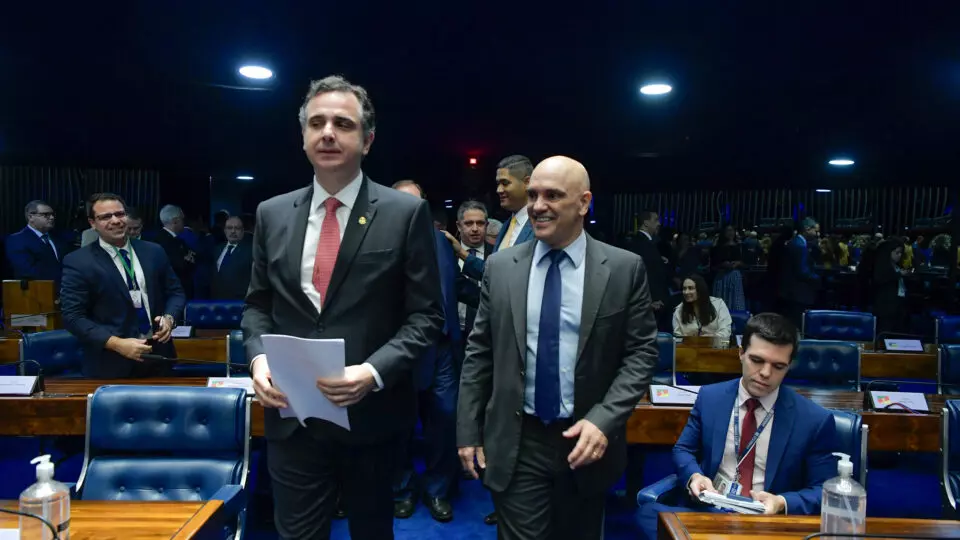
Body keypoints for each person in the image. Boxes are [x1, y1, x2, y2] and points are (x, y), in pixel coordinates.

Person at [241, 75, 444, 540]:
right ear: (303, 137)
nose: (328, 132)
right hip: (291, 416)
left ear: (367, 140)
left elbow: (426, 316)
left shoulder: (404, 213)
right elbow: (257, 306)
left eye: (342, 123)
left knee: (372, 532)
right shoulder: (272, 213)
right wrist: (258, 359)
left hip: (369, 417)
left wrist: (371, 373)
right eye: (317, 122)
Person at [457, 156, 659, 540]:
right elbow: (479, 353)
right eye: (532, 194)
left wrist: (604, 420)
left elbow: (641, 355)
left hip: (586, 439)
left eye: (552, 195)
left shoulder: (622, 269)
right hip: (518, 439)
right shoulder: (501, 268)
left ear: (584, 203)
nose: (537, 205)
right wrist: (467, 430)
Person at [635, 313, 839, 539]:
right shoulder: (710, 398)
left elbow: (824, 491)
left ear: (789, 366)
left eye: (778, 366)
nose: (765, 373)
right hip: (711, 510)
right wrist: (695, 477)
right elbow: (684, 450)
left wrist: (781, 502)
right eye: (757, 360)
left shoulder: (814, 419)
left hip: (766, 521)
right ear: (741, 353)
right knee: (647, 514)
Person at [390, 180, 462, 522]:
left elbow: (450, 291)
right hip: (395, 350)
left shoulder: (440, 241)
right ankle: (402, 489)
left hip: (440, 347)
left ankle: (437, 491)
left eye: (416, 203)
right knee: (397, 424)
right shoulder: (378, 240)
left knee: (444, 421)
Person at [60, 193, 185, 378]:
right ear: (92, 223)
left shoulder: (153, 251)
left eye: (120, 214)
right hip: (109, 362)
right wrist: (116, 344)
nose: (116, 221)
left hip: (158, 357)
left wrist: (169, 318)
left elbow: (176, 292)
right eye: (105, 217)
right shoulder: (78, 261)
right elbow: (73, 317)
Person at [6, 200, 68, 286]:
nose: (52, 218)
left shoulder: (59, 238)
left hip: (66, 291)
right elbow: (27, 271)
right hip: (37, 292)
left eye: (52, 214)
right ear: (31, 217)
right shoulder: (17, 240)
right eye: (46, 215)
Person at [777, 218, 820, 329]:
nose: (817, 233)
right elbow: (802, 271)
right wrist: (818, 278)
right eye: (815, 230)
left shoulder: (795, 242)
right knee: (796, 325)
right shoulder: (800, 245)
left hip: (791, 291)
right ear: (807, 229)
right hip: (798, 293)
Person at [672, 274, 733, 340]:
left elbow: (726, 332)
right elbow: (677, 338)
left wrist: (713, 336)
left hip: (715, 347)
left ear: (700, 289)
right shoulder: (679, 310)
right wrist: (688, 339)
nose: (686, 292)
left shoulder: (719, 304)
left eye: (690, 288)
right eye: (684, 289)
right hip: (689, 348)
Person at [210, 216, 253, 300]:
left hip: (239, 302)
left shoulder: (250, 251)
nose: (233, 231)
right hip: (216, 302)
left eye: (237, 228)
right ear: (225, 231)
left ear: (243, 231)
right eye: (229, 228)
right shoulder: (217, 249)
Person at [872, 239, 909, 335]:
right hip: (886, 306)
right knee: (885, 331)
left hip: (897, 304)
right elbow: (880, 279)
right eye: (897, 252)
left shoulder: (895, 266)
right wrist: (898, 274)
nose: (899, 255)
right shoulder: (882, 266)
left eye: (901, 253)